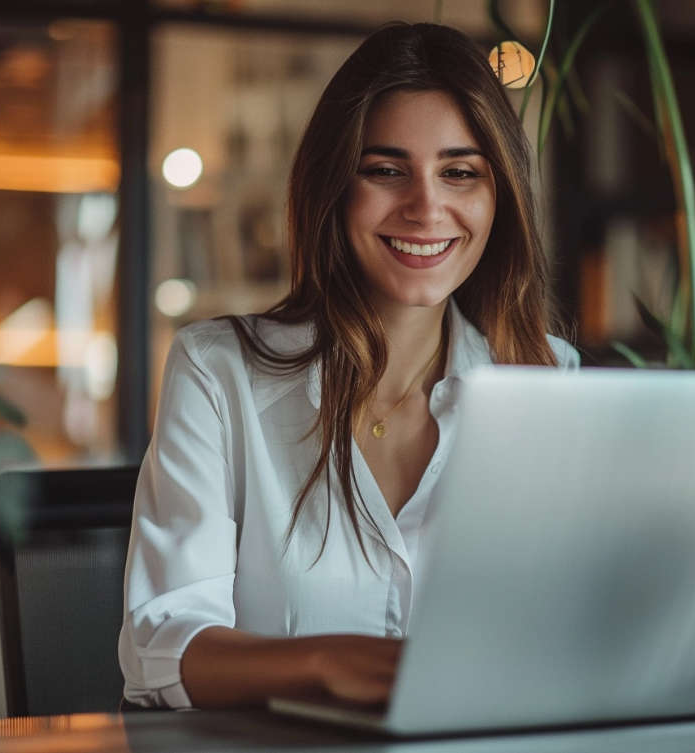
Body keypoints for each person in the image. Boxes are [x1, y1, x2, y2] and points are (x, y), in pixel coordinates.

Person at [118, 21, 580, 710]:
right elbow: (162, 646)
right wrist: (327, 661)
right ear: (336, 187)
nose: (427, 207)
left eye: (460, 172)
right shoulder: (219, 372)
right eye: (386, 170)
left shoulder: (547, 376)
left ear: (499, 197)